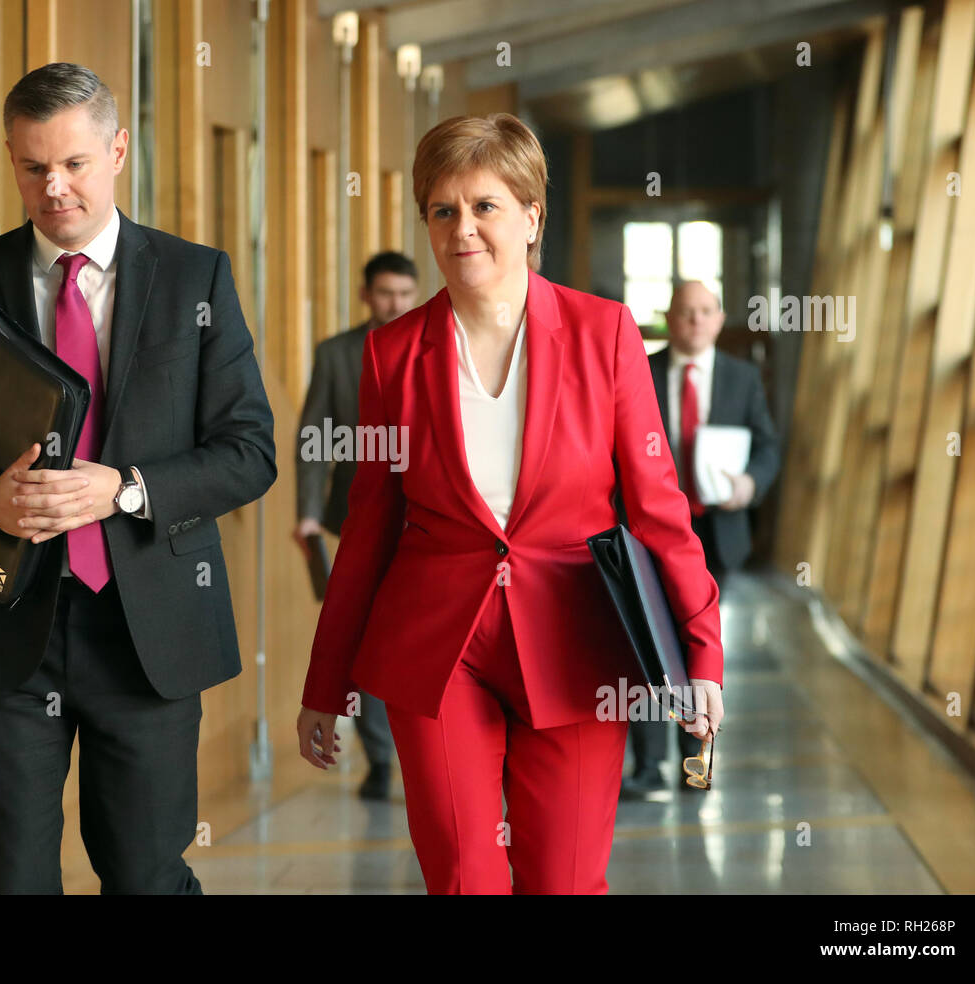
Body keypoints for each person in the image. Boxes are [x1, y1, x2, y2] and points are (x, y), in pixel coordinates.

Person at [0, 63, 275, 894]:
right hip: (11, 630)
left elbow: (249, 450)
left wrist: (122, 488)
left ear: (118, 150)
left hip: (150, 634)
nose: (53, 187)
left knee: (147, 877)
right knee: (10, 881)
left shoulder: (196, 278)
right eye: (32, 166)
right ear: (10, 163)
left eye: (74, 163)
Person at [295, 113, 724, 894]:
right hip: (437, 647)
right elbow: (368, 530)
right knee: (462, 873)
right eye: (443, 210)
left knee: (563, 878)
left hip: (577, 640)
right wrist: (327, 686)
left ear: (531, 215)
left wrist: (702, 655)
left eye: (485, 206)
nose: (463, 229)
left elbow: (661, 509)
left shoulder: (606, 333)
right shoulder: (392, 353)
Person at [621, 280, 779, 798]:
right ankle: (648, 767)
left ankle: (695, 764)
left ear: (719, 316)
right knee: (648, 645)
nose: (694, 321)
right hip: (649, 534)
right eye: (685, 312)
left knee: (701, 650)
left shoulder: (742, 377)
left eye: (705, 311)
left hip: (715, 530)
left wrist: (750, 484)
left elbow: (767, 446)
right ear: (670, 316)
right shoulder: (642, 368)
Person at [293, 251, 418, 800]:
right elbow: (313, 439)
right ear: (367, 295)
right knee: (367, 637)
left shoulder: (432, 344)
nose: (395, 303)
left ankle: (425, 750)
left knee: (413, 634)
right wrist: (309, 513)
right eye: (385, 293)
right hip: (358, 517)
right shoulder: (338, 354)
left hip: (427, 522)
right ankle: (381, 757)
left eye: (404, 293)